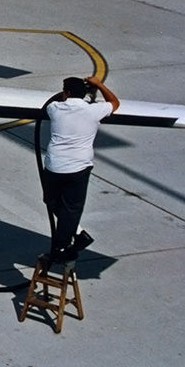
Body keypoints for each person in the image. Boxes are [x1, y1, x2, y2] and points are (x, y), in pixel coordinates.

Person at [41, 75, 120, 262]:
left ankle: (68, 241)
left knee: (51, 201)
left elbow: (54, 101)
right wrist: (98, 85)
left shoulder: (54, 109)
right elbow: (114, 102)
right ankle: (64, 244)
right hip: (78, 167)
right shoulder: (94, 111)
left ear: (66, 92)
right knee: (72, 208)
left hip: (55, 166)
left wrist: (67, 93)